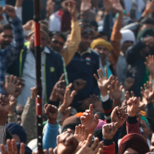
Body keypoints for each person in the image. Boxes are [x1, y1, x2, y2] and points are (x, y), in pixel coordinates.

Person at [7, 23, 64, 106]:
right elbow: (5, 69)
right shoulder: (19, 52)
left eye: (43, 39)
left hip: (44, 107)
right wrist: (11, 79)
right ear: (29, 38)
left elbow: (62, 81)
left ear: (48, 41)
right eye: (36, 37)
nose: (39, 42)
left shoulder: (55, 57)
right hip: (20, 104)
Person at [66, 23, 100, 111]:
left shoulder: (94, 56)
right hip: (67, 101)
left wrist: (91, 99)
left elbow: (98, 80)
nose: (88, 41)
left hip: (88, 104)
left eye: (91, 38)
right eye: (85, 38)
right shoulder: (67, 53)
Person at [0, 5, 24, 94]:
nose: (7, 39)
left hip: (2, 104)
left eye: (10, 37)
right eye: (4, 36)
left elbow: (18, 43)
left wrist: (14, 17)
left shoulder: (2, 56)